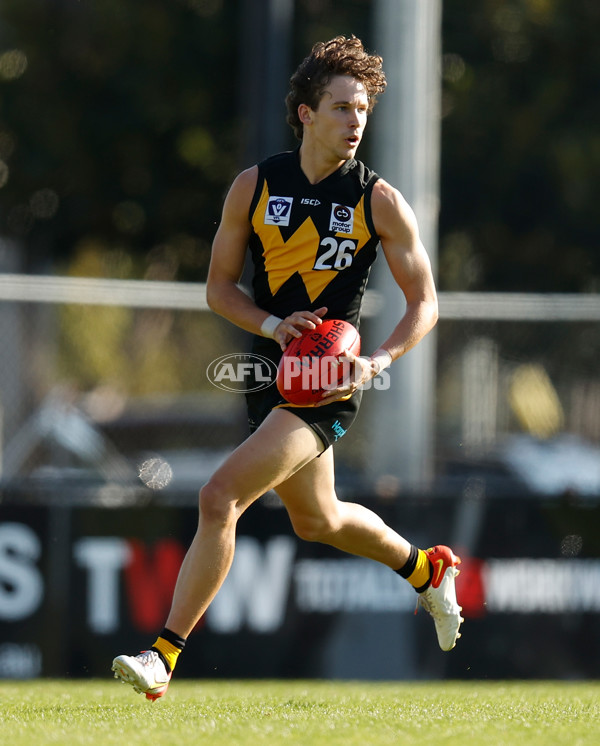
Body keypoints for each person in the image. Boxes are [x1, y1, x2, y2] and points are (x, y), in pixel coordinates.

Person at [112, 34, 463, 701]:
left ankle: (163, 656)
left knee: (219, 497)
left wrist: (378, 360)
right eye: (340, 108)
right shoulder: (255, 185)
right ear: (306, 113)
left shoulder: (377, 201)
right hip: (267, 371)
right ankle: (427, 571)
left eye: (362, 109)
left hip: (328, 381)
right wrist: (273, 326)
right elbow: (219, 289)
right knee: (318, 519)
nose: (355, 121)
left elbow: (426, 303)